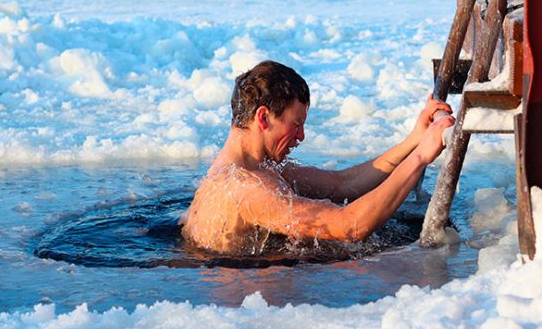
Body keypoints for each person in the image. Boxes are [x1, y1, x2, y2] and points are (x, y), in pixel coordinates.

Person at [181, 60, 455, 255]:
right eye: (296, 124)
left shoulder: (252, 168)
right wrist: (419, 158)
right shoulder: (249, 189)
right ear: (263, 117)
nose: (301, 136)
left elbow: (342, 184)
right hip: (248, 300)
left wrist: (414, 140)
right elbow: (350, 227)